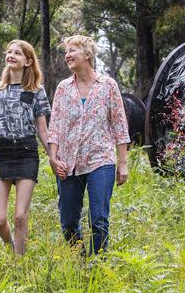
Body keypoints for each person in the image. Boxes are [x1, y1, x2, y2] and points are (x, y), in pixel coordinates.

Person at [47, 35, 131, 256]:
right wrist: (53, 159)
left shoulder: (108, 85)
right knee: (68, 223)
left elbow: (119, 124)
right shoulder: (63, 88)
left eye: (72, 50)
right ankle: (81, 261)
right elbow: (54, 126)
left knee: (99, 219)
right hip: (68, 162)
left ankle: (98, 268)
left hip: (100, 159)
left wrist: (122, 163)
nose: (67, 55)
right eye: (66, 51)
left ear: (87, 54)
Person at [0, 40, 51, 255]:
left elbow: (43, 129)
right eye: (9, 52)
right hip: (2, 152)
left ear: (28, 61)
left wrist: (53, 156)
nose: (11, 55)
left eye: (17, 53)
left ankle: (19, 262)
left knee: (20, 216)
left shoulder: (36, 91)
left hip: (26, 152)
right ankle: (11, 246)